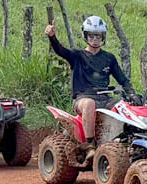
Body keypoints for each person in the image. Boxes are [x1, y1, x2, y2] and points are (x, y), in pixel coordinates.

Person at [47, 16, 133, 144]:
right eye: (91, 36)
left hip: (105, 99)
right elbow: (61, 51)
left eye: (98, 36)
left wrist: (132, 94)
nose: (95, 39)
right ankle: (89, 144)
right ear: (85, 36)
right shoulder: (77, 56)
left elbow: (123, 80)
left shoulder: (109, 58)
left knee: (124, 106)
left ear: (103, 37)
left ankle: (124, 140)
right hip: (82, 98)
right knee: (89, 103)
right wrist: (52, 38)